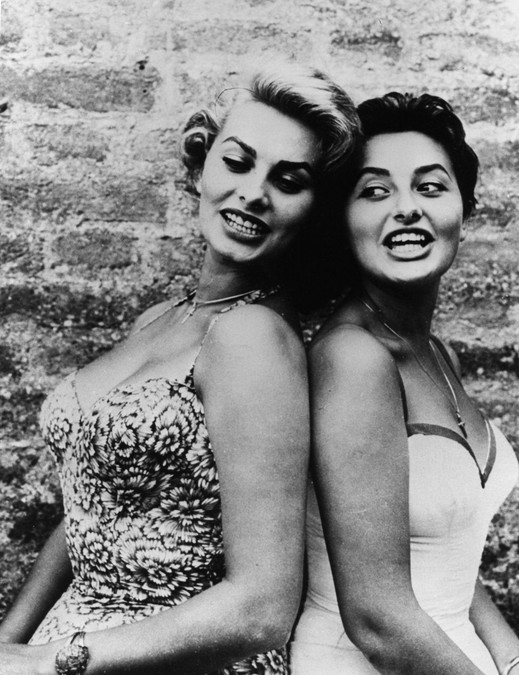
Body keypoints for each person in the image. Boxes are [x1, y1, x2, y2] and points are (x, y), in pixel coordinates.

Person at [0, 63, 360, 674]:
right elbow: (86, 509)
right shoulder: (160, 318)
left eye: (288, 180)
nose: (253, 193)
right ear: (201, 165)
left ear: (315, 211)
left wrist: (44, 664)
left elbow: (262, 609)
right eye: (238, 162)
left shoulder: (253, 338)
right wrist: (11, 641)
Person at [290, 92, 519, 674]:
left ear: (464, 209)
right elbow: (377, 619)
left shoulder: (438, 355)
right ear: (342, 220)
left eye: (431, 186)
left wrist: (516, 662)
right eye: (374, 191)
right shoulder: (353, 358)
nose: (406, 209)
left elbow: (449, 558)